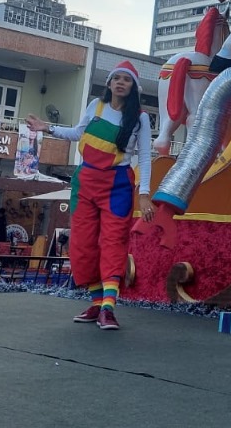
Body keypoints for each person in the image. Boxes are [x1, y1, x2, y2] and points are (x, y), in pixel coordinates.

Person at [26, 61, 153, 330]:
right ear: (109, 83)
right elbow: (77, 133)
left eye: (126, 79)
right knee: (82, 243)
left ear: (133, 87)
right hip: (85, 183)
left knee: (113, 242)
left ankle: (108, 307)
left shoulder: (140, 118)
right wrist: (46, 128)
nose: (120, 82)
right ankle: (96, 303)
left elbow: (144, 157)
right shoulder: (96, 105)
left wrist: (144, 194)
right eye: (116, 78)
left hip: (118, 185)